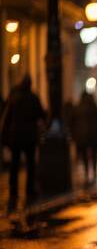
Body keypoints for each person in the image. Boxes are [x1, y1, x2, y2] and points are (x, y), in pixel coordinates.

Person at [0, 75, 45, 203]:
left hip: (16, 136)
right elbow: (41, 114)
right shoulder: (33, 97)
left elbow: (7, 115)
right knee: (30, 164)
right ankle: (29, 190)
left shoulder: (14, 96)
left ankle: (13, 191)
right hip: (29, 137)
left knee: (15, 164)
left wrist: (6, 134)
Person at [71, 92, 97, 185]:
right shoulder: (94, 107)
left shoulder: (79, 108)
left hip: (82, 136)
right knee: (94, 155)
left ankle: (86, 173)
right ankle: (94, 172)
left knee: (85, 156)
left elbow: (72, 122)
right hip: (93, 135)